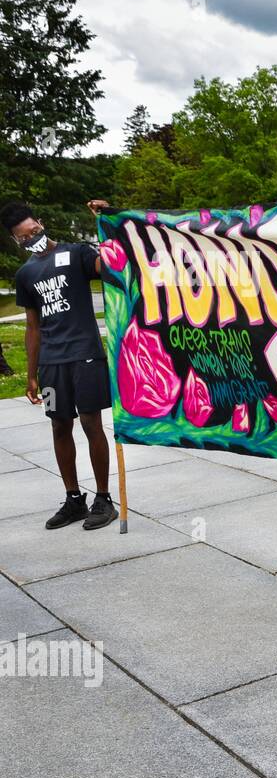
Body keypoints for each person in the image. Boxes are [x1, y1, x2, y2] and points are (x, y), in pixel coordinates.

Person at [3, 198, 118, 530]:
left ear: (40, 222)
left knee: (91, 424)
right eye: (23, 237)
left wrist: (106, 221)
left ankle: (103, 499)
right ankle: (73, 499)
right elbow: (32, 327)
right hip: (52, 364)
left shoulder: (76, 253)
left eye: (34, 230)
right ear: (16, 240)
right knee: (59, 425)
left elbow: (110, 267)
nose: (31, 238)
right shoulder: (26, 274)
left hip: (85, 356)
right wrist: (31, 374)